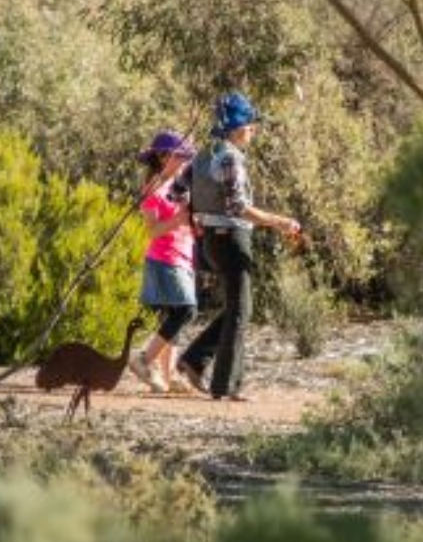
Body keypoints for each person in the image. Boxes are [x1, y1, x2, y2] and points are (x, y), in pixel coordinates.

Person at [169, 92, 299, 401]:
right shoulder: (230, 157)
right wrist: (280, 222)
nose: (253, 132)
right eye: (252, 126)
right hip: (231, 239)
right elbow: (238, 206)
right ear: (239, 128)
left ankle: (194, 361)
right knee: (241, 311)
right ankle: (226, 387)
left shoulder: (202, 155)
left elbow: (176, 192)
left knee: (237, 309)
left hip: (210, 241)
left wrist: (197, 217)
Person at [128, 130, 199, 393]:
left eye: (187, 157)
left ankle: (169, 375)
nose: (185, 161)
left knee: (174, 316)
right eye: (181, 156)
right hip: (164, 258)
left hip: (184, 255)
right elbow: (152, 230)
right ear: (162, 156)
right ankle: (143, 359)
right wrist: (179, 219)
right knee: (185, 311)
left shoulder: (181, 184)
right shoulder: (153, 188)